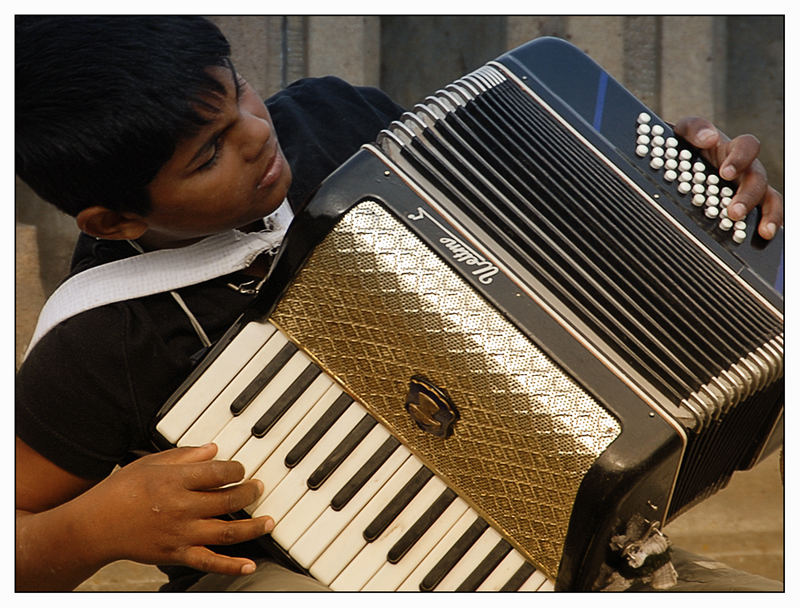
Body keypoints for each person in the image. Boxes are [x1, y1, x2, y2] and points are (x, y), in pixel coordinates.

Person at [15, 16, 783, 592]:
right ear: (114, 222)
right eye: (208, 153)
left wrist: (681, 193)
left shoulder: (336, 122)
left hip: (542, 545)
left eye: (237, 93)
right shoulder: (98, 339)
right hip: (295, 574)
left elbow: (546, 218)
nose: (254, 136)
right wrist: (97, 526)